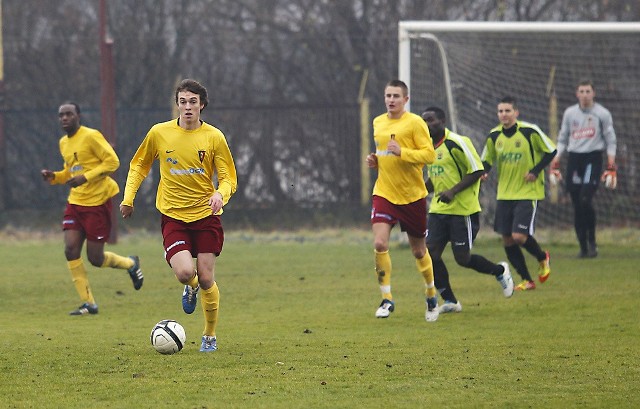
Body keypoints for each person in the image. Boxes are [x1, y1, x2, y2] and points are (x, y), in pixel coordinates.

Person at [120, 79, 237, 352]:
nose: (187, 107)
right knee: (186, 273)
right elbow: (139, 165)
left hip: (207, 215)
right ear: (177, 104)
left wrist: (221, 194)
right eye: (183, 102)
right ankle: (189, 284)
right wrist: (128, 198)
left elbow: (229, 177)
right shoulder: (159, 133)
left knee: (207, 278)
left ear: (202, 105)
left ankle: (209, 335)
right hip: (173, 215)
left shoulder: (214, 137)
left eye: (192, 102)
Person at [41, 102, 143, 316]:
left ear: (78, 115)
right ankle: (89, 303)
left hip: (97, 203)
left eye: (69, 114)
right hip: (76, 203)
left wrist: (85, 177)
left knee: (96, 259)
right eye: (61, 115)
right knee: (70, 249)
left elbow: (113, 162)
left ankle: (130, 264)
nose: (64, 118)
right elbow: (71, 172)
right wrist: (56, 177)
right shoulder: (63, 143)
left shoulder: (91, 136)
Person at [422, 107, 514, 314]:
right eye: (424, 121)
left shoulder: (458, 142)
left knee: (462, 259)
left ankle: (500, 271)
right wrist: (417, 191)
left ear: (442, 121)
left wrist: (453, 191)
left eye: (431, 120)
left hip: (463, 211)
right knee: (429, 254)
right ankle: (450, 300)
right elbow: (436, 177)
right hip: (438, 210)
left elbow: (478, 170)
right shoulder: (427, 147)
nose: (427, 125)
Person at [366, 79, 438, 322]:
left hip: (412, 196)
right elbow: (384, 154)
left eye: (396, 96)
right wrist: (376, 161)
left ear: (405, 99)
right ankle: (386, 299)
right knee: (379, 243)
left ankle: (430, 293)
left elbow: (430, 155)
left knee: (418, 251)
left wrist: (403, 153)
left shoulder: (415, 123)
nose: (391, 100)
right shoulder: (377, 122)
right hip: (384, 192)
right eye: (388, 95)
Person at [480, 96, 556, 291]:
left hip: (527, 192)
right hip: (504, 194)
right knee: (507, 239)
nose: (503, 115)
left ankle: (542, 257)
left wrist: (535, 171)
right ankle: (527, 280)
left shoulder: (530, 131)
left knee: (519, 236)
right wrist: (485, 172)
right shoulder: (494, 136)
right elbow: (487, 159)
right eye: (500, 111)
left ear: (516, 112)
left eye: (507, 111)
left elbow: (551, 151)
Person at [549, 79, 617, 258]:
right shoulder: (570, 113)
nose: (585, 95)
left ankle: (592, 241)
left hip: (593, 159)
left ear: (593, 93)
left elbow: (611, 139)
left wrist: (611, 163)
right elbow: (563, 138)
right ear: (576, 94)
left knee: (586, 199)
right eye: (582, 91)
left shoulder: (602, 113)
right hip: (574, 160)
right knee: (577, 203)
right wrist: (556, 158)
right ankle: (583, 247)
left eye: (588, 91)